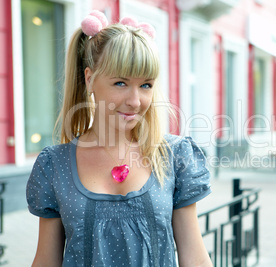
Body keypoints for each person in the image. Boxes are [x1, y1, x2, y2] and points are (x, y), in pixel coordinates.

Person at [26, 10, 212, 267]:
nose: (135, 101)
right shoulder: (54, 165)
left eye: (146, 85)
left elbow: (196, 260)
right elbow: (46, 261)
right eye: (121, 83)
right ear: (90, 79)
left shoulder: (173, 156)